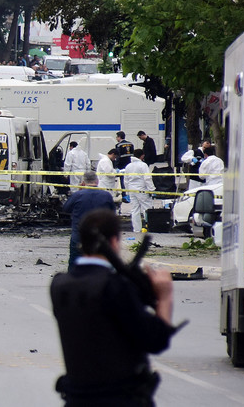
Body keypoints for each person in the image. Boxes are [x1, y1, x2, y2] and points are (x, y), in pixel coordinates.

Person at [51, 209, 175, 406]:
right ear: (115, 242)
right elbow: (155, 340)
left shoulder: (59, 285)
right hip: (119, 399)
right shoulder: (115, 286)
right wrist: (165, 295)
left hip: (77, 399)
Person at [62, 171, 115, 267]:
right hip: (100, 237)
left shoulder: (77, 195)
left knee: (75, 264)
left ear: (83, 182)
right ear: (97, 181)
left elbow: (66, 209)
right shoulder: (106, 195)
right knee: (100, 265)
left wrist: (79, 190)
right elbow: (112, 214)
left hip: (79, 236)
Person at [125, 149, 155, 232]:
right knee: (147, 209)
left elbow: (126, 180)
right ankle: (149, 227)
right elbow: (147, 178)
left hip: (132, 190)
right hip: (142, 190)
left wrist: (127, 192)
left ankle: (136, 229)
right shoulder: (143, 165)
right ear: (142, 155)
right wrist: (152, 189)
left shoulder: (128, 166)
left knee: (135, 210)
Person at [115, 131, 135, 202]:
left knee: (123, 181)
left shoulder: (119, 145)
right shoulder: (130, 144)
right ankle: (131, 194)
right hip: (130, 164)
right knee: (130, 180)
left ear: (119, 137)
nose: (116, 138)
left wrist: (115, 166)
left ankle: (124, 194)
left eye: (117, 137)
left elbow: (118, 157)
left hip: (122, 166)